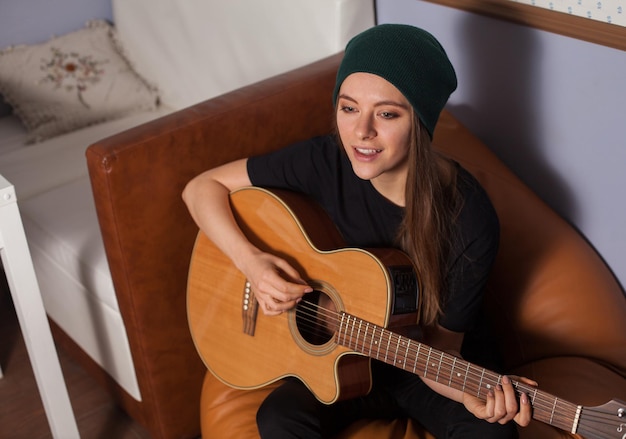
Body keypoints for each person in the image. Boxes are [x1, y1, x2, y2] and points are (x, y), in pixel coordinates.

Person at [183, 23, 535, 439]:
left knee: (493, 435)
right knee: (278, 418)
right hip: (339, 360)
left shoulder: (469, 219)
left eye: (386, 113)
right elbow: (200, 188)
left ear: (419, 122)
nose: (361, 131)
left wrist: (467, 393)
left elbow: (441, 350)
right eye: (348, 108)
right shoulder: (324, 161)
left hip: (423, 365)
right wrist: (253, 263)